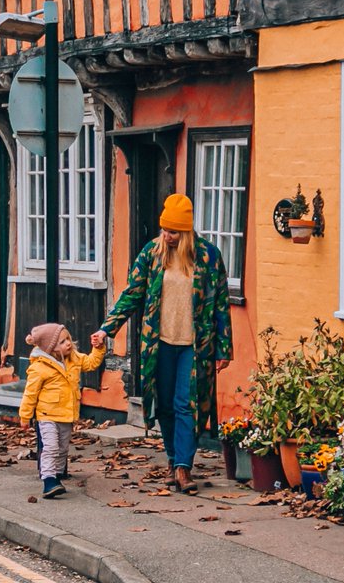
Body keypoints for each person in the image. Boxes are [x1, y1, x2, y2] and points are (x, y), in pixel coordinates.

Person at [91, 193, 231, 494]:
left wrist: (223, 347)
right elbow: (132, 293)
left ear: (186, 232)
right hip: (160, 343)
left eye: (173, 231)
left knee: (187, 404)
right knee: (165, 404)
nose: (167, 236)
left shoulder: (208, 257)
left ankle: (183, 467)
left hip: (196, 345)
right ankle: (172, 458)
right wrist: (107, 329)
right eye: (164, 230)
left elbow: (221, 303)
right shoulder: (152, 255)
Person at [19, 322, 105, 498]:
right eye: (62, 342)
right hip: (46, 415)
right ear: (50, 348)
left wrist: (98, 348)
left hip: (66, 414)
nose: (68, 343)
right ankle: (49, 480)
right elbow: (30, 393)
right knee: (50, 447)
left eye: (68, 339)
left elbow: (91, 363)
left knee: (62, 449)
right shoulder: (39, 367)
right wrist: (25, 416)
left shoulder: (73, 358)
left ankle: (57, 475)